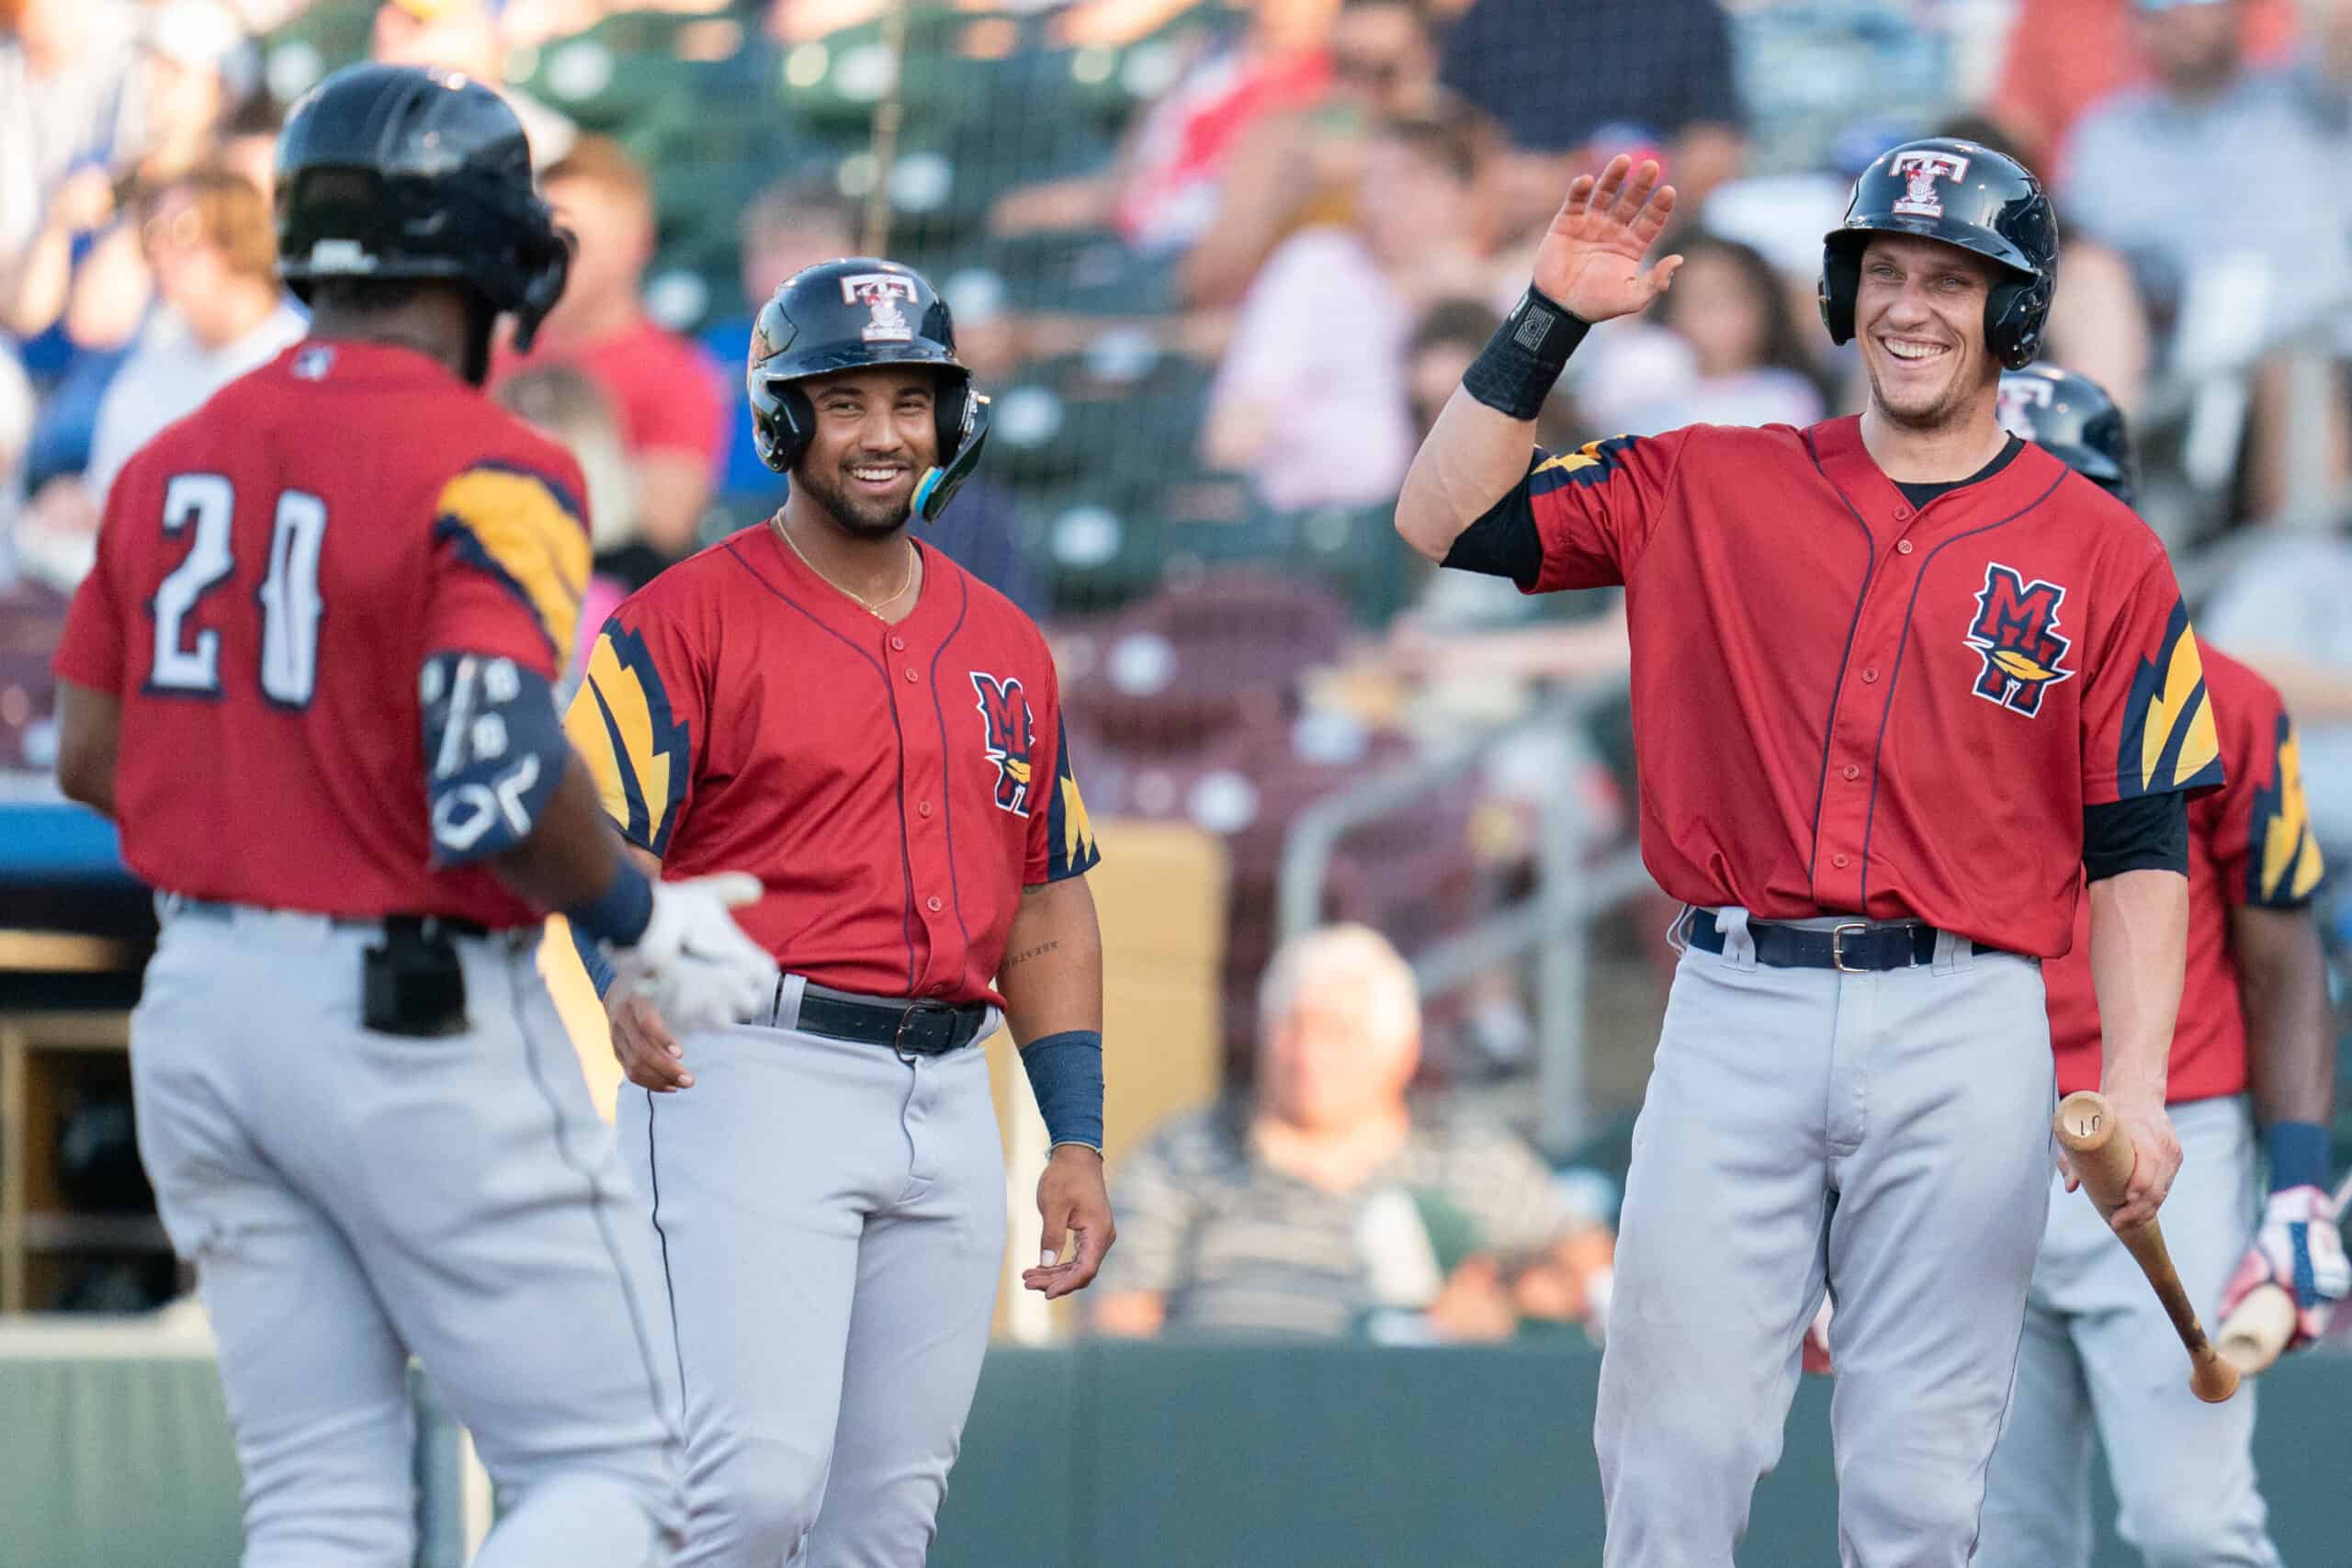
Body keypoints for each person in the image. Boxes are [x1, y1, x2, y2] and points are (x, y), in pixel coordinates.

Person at [1395, 142, 2220, 1565]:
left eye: (1953, 280)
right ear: (1842, 293)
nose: (1911, 305)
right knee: (1675, 1451)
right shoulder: (1709, 476)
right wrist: (1549, 321)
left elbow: (2140, 836)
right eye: (1884, 271)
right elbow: (1440, 517)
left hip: (1967, 1013)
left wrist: (2135, 1082)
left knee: (1918, 1480)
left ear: (2012, 314)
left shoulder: (2105, 549)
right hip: (1736, 997)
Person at [47, 63, 783, 1566]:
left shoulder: (170, 448)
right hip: (408, 1011)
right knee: (632, 1476)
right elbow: (495, 773)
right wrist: (641, 915)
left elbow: (87, 753)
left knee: (323, 1503)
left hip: (197, 1001)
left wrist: (283, 805)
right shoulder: (496, 457)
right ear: (494, 256)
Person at [564, 256, 1115, 1566]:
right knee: (746, 1492)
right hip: (751, 1059)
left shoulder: (1008, 642)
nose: (883, 434)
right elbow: (583, 832)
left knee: (883, 1524)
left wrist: (1077, 1136)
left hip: (951, 1086)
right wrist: (618, 969)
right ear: (784, 419)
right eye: (847, 400)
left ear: (951, 417)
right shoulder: (680, 617)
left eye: (910, 400)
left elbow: (1048, 897)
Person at [1966, 366, 2349, 1567]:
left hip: (2167, 1136)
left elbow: (2281, 952)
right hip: (1957, 1129)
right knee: (1992, 1538)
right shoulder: (1899, 700)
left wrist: (2295, 1180)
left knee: (2192, 1530)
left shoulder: (2224, 697)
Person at [1089, 923, 1613, 1342]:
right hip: (1221, 1432)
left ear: (1401, 1052)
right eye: (1293, 1028)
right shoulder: (1186, 1153)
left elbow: (1592, 1264)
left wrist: (1505, 1305)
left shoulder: (1464, 1154)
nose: (1308, 1055)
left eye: (1337, 1032)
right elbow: (1120, 1325)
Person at [1202, 103, 1494, 510]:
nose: (1385, 198)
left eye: (1407, 179)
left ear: (1457, 195)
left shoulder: (1483, 297)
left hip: (1427, 536)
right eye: (1374, 179)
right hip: (1292, 516)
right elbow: (1244, 413)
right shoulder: (1317, 261)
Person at [493, 135, 725, 581]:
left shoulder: (677, 374)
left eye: (575, 238)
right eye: (544, 234)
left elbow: (666, 527)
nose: (555, 254)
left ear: (636, 243)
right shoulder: (495, 354)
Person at [83, 166, 307, 507]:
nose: (158, 248)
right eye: (152, 232)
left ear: (235, 236)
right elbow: (107, 497)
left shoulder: (300, 360)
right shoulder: (152, 363)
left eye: (181, 229)